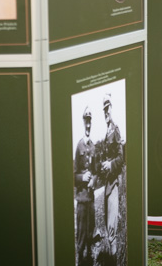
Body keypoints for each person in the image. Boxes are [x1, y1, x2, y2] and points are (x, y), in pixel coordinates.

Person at [96, 94, 124, 263]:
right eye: (104, 109)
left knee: (112, 229)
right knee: (107, 225)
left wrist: (110, 164)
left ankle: (114, 261)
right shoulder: (107, 133)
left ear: (112, 108)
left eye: (108, 108)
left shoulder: (116, 129)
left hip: (113, 183)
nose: (106, 111)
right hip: (107, 183)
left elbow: (121, 158)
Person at [73, 106, 96, 266]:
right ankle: (80, 261)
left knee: (90, 232)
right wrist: (83, 177)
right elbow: (73, 176)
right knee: (81, 235)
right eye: (86, 121)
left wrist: (93, 178)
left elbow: (94, 170)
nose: (88, 125)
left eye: (90, 122)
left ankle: (89, 259)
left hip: (91, 198)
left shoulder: (93, 147)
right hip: (81, 199)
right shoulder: (79, 146)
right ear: (83, 122)